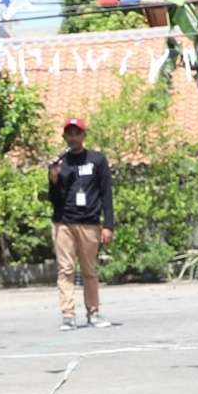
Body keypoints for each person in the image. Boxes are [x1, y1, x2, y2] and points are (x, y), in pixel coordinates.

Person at [45, 115, 115, 330]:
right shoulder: (60, 163)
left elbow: (106, 193)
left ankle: (93, 313)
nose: (73, 137)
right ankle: (68, 315)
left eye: (77, 133)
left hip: (89, 223)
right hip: (64, 223)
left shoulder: (96, 160)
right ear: (64, 136)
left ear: (84, 135)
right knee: (65, 269)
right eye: (70, 133)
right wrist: (53, 178)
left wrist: (108, 225)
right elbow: (54, 198)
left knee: (89, 271)